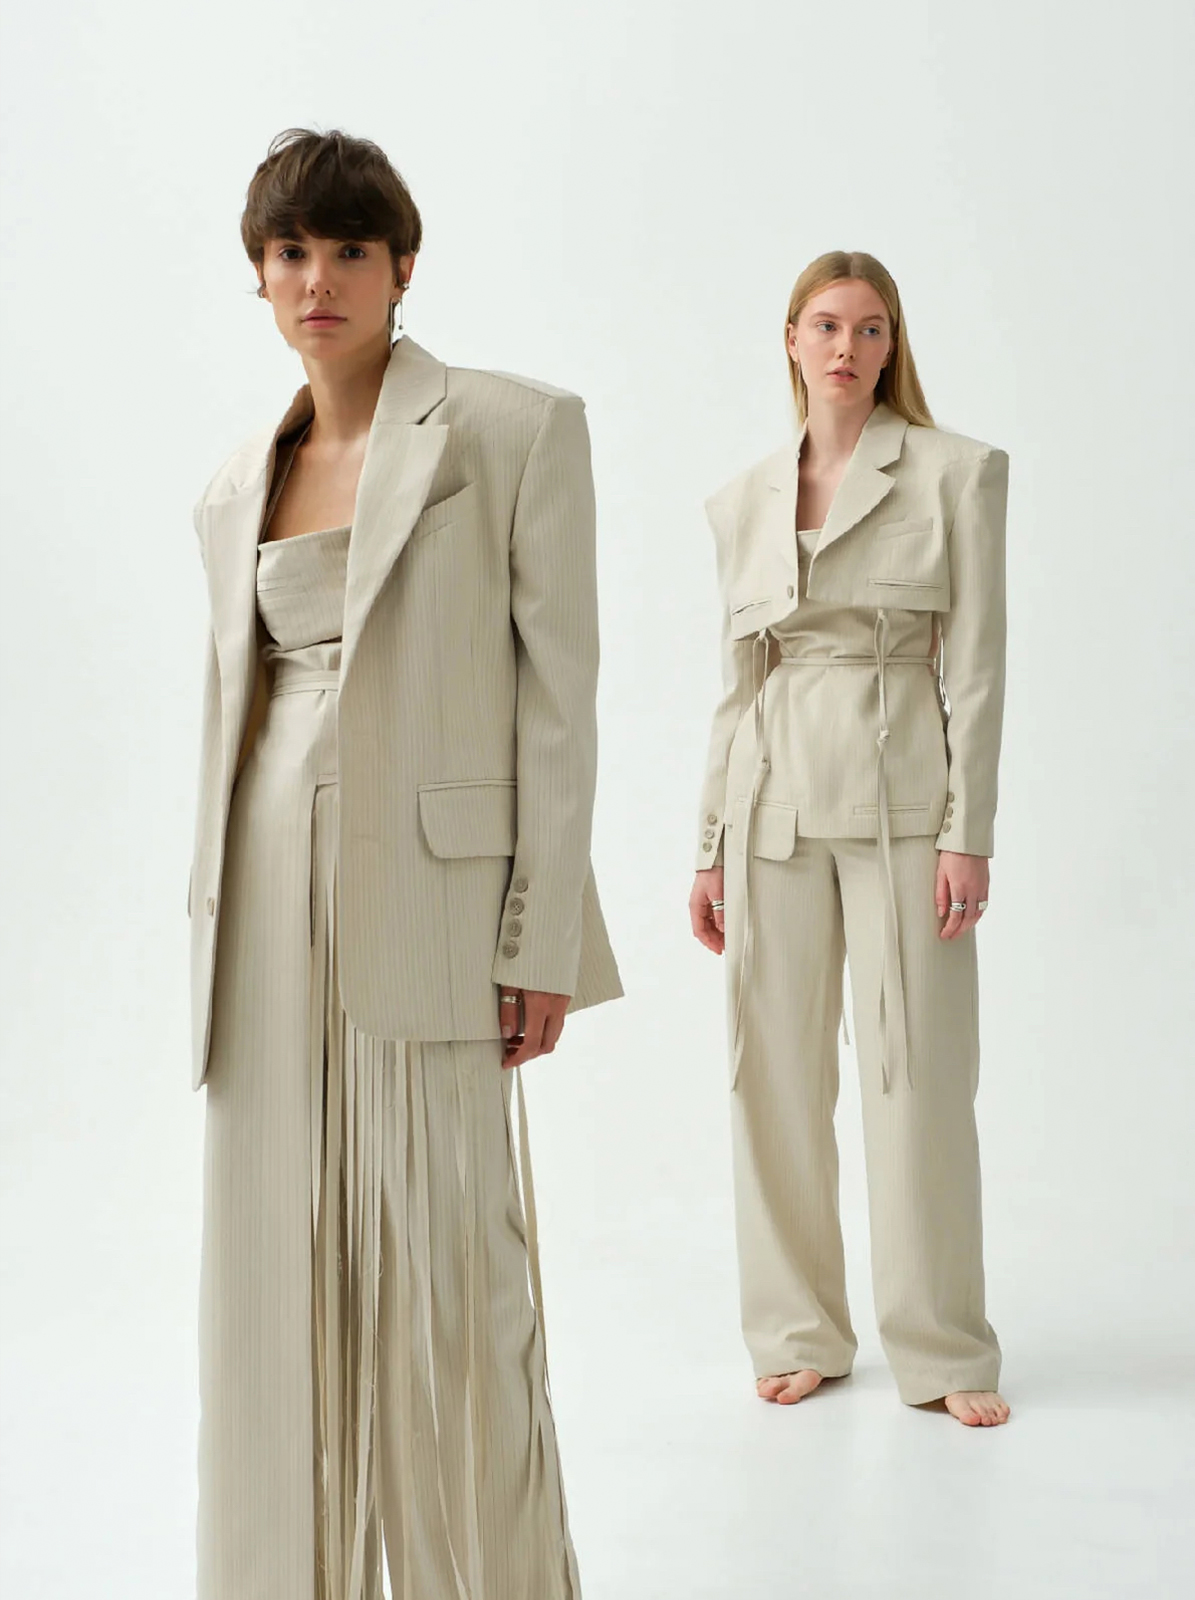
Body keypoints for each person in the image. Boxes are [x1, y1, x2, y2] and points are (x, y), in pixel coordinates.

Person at [188, 126, 622, 1599]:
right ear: (260, 276)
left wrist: (539, 933)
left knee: (450, 1281)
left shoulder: (512, 429)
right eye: (290, 252)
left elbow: (560, 700)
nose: (318, 278)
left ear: (403, 267)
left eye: (349, 250)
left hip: (433, 903)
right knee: (269, 1275)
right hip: (261, 900)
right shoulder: (234, 483)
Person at [689, 250, 1010, 1428]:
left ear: (892, 347)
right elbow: (736, 684)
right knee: (770, 1082)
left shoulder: (956, 473)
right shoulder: (743, 500)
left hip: (901, 808)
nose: (846, 346)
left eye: (870, 328)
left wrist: (968, 832)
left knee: (918, 1078)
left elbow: (978, 667)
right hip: (769, 805)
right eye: (826, 324)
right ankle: (796, 1331)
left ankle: (943, 1346)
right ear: (790, 338)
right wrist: (709, 843)